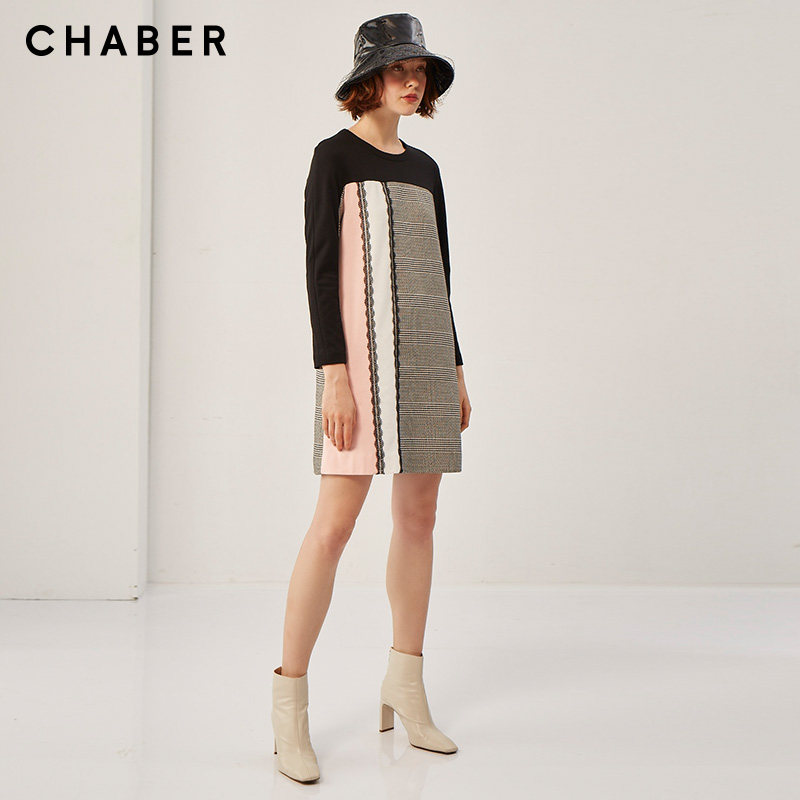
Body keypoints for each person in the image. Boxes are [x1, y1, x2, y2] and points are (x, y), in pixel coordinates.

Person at [271, 13, 472, 783]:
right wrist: (333, 374)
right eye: (398, 69)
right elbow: (320, 270)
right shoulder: (333, 157)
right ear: (368, 79)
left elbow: (440, 274)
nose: (412, 82)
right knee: (333, 526)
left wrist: (456, 368)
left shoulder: (427, 169)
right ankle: (289, 711)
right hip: (356, 368)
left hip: (427, 361)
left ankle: (405, 687)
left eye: (419, 71)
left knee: (419, 518)